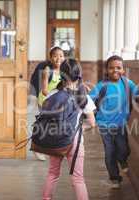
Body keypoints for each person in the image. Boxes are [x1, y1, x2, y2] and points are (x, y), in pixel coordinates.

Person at [89, 55, 139, 189]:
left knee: (123, 148)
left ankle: (122, 160)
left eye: (118, 68)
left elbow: (137, 98)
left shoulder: (128, 84)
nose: (115, 70)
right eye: (111, 68)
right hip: (104, 124)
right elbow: (89, 99)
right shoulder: (102, 86)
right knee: (110, 151)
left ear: (123, 70)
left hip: (120, 124)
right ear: (107, 70)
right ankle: (114, 177)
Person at [42, 59, 96, 200]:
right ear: (79, 75)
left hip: (55, 139)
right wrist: (80, 128)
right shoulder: (84, 97)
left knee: (52, 173)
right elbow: (92, 123)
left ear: (61, 74)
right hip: (75, 141)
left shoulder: (52, 94)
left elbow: (45, 115)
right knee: (78, 179)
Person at [29, 46, 65, 161]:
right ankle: (36, 148)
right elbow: (44, 90)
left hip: (58, 102)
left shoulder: (65, 71)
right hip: (46, 101)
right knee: (45, 125)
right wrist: (56, 97)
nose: (58, 58)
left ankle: (56, 149)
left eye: (61, 56)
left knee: (57, 126)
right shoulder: (47, 71)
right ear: (50, 58)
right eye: (55, 56)